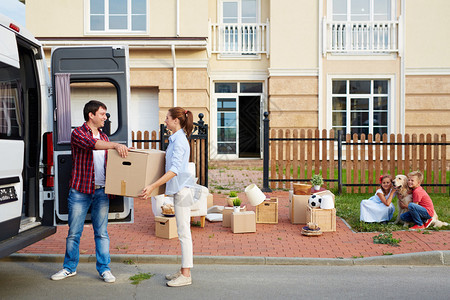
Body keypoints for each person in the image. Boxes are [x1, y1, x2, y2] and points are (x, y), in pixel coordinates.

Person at [51, 100, 129, 283]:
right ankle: (69, 268)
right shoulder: (78, 133)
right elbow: (93, 144)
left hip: (102, 192)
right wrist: (116, 145)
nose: (105, 117)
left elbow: (111, 159)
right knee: (74, 233)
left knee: (101, 233)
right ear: (91, 115)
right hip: (80, 192)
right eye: (102, 114)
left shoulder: (105, 137)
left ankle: (105, 269)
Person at [139, 107, 196, 287]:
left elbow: (174, 170)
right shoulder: (175, 139)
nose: (165, 121)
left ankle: (186, 274)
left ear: (176, 121)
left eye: (167, 118)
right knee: (182, 231)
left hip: (183, 191)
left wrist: (152, 186)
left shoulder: (179, 141)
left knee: (183, 232)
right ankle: (182, 270)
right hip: (180, 190)